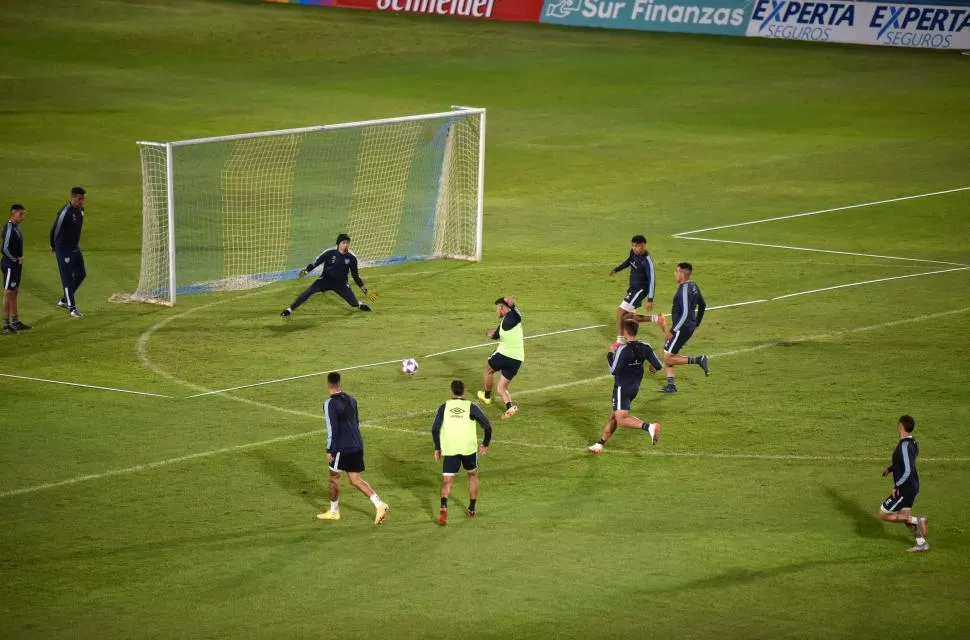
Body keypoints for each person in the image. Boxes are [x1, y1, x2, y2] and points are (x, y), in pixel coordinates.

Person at [316, 372, 389, 525]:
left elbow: (332, 428)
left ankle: (334, 512)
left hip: (342, 448)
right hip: (357, 444)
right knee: (355, 479)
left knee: (333, 478)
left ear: (327, 385)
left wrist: (330, 450)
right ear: (340, 383)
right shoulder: (352, 399)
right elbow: (356, 422)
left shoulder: (329, 403)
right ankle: (379, 504)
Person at [588, 319, 662, 454]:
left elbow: (613, 370)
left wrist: (610, 353)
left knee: (621, 419)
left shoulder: (623, 349)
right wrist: (652, 367)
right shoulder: (645, 346)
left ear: (625, 332)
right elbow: (658, 365)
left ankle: (649, 427)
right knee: (613, 416)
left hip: (622, 387)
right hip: (634, 388)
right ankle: (600, 444)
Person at [432, 379, 492, 526]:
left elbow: (434, 429)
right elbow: (487, 426)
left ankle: (444, 507)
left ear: (451, 391)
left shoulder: (444, 407)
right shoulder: (471, 406)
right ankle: (471, 509)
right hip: (468, 449)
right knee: (472, 475)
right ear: (464, 392)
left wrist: (437, 448)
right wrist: (485, 443)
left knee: (447, 481)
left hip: (451, 449)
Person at [643, 262, 708, 393]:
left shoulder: (684, 289)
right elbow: (703, 305)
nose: (674, 273)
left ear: (682, 274)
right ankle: (671, 385)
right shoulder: (693, 285)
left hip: (681, 328)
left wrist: (673, 331)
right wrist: (697, 324)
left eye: (676, 271)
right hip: (687, 326)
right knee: (668, 352)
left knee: (667, 357)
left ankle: (699, 359)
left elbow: (684, 314)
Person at [280, 233, 373, 317]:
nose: (346, 245)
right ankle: (289, 310)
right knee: (307, 293)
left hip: (341, 284)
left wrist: (366, 291)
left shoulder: (352, 258)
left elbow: (356, 276)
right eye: (344, 242)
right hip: (324, 281)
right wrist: (306, 271)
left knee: (353, 303)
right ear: (339, 243)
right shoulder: (329, 253)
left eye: (348, 243)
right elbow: (316, 263)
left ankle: (359, 304)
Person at [878, 415, 928, 553]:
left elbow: (907, 469)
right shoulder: (913, 442)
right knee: (904, 516)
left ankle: (919, 519)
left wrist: (897, 486)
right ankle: (921, 543)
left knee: (882, 514)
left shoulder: (904, 446)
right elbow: (905, 464)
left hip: (905, 487)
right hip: (913, 484)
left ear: (900, 427)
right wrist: (890, 469)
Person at [477, 296, 523, 419]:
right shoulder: (506, 321)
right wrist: (491, 334)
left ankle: (486, 397)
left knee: (488, 369)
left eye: (497, 308)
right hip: (517, 360)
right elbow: (497, 334)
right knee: (501, 387)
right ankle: (510, 407)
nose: (496, 311)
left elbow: (518, 317)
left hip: (504, 355)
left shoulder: (510, 317)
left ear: (501, 307)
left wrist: (513, 305)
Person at [609, 234, 656, 345]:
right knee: (627, 316)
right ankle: (656, 319)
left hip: (640, 290)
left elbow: (652, 280)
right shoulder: (633, 253)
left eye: (637, 246)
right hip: (633, 288)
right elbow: (628, 261)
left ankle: (619, 341)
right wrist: (616, 269)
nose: (635, 248)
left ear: (644, 246)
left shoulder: (647, 261)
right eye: (633, 246)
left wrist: (650, 299)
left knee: (620, 312)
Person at [50, 186, 86, 318]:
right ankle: (72, 308)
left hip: (75, 248)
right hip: (63, 249)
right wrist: (53, 245)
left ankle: (65, 299)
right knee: (67, 279)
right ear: (73, 198)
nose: (82, 201)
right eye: (80, 199)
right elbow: (54, 230)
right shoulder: (64, 212)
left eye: (83, 199)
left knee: (81, 274)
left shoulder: (81, 210)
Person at [2, 204, 31, 334]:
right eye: (21, 214)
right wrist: (15, 260)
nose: (22, 217)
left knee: (14, 292)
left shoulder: (16, 228)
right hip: (10, 265)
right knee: (8, 294)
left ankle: (15, 321)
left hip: (15, 266)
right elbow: (4, 249)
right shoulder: (9, 228)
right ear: (13, 213)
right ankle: (6, 325)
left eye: (23, 214)